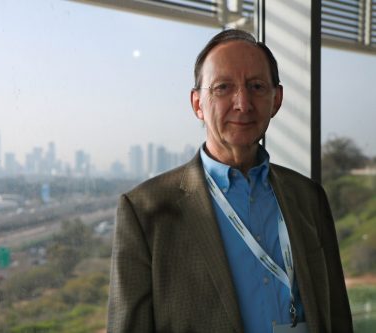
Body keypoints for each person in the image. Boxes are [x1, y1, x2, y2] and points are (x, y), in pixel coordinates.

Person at [107, 29, 353, 333]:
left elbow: (337, 315)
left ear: (276, 100)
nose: (243, 103)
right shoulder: (145, 210)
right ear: (197, 104)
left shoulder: (308, 197)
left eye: (257, 86)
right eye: (223, 88)